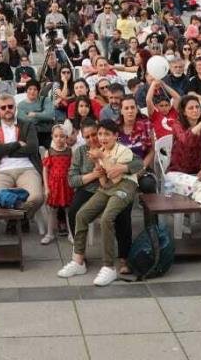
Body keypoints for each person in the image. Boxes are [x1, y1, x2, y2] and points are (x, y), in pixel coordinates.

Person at [57, 119, 142, 287]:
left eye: (97, 134)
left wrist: (104, 160)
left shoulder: (120, 150)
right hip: (97, 188)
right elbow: (76, 180)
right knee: (80, 214)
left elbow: (121, 174)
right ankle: (78, 261)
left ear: (115, 135)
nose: (96, 138)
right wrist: (96, 169)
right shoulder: (82, 151)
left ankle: (112, 265)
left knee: (109, 218)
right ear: (82, 137)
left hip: (122, 186)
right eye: (88, 136)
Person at [0, 92, 45, 224]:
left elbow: (32, 148)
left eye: (10, 106)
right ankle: (18, 216)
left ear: (15, 107)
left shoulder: (27, 125)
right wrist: (17, 144)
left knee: (37, 197)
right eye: (3, 107)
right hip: (0, 171)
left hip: (27, 168)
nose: (7, 110)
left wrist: (4, 150)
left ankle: (17, 218)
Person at [40, 123, 73, 244]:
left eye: (62, 136)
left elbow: (72, 169)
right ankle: (49, 234)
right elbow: (45, 170)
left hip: (66, 185)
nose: (59, 139)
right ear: (52, 137)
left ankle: (71, 234)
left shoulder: (70, 152)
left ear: (66, 137)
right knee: (52, 211)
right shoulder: (49, 152)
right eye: (56, 136)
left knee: (68, 210)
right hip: (54, 185)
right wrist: (46, 187)